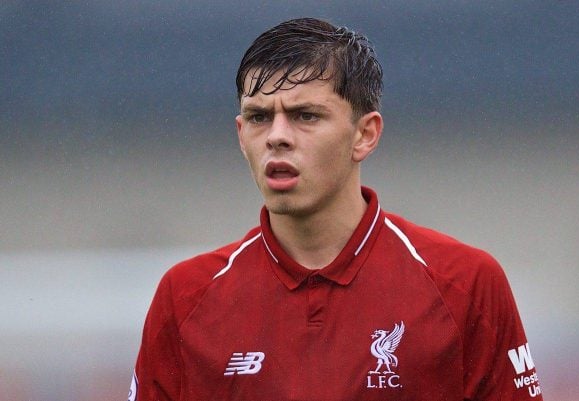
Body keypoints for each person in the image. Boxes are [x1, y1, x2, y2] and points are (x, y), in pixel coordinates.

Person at [129, 18, 542, 401]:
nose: (277, 137)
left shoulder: (466, 285)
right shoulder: (185, 297)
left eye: (305, 115)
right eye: (258, 117)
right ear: (241, 135)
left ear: (365, 135)